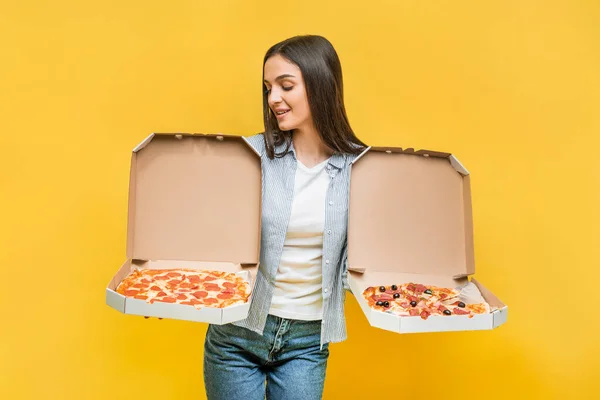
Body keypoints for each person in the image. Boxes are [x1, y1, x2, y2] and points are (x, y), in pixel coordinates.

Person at [203, 34, 367, 400]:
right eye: (268, 88)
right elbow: (209, 234)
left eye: (286, 86)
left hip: (307, 342)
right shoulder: (250, 156)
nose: (273, 98)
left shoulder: (363, 168)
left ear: (321, 85)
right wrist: (169, 292)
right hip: (237, 334)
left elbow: (370, 257)